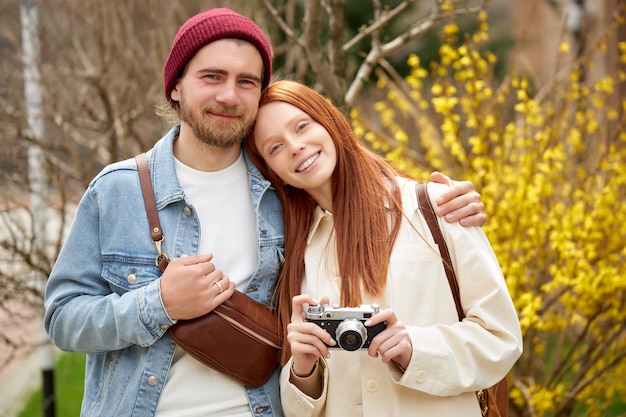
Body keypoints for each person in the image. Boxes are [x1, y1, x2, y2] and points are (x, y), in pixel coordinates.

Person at [43, 8, 488, 417]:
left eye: (247, 82)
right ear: (176, 86)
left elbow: (357, 189)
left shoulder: (286, 188)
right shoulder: (117, 191)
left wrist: (435, 201)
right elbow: (63, 319)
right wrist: (158, 303)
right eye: (212, 77)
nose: (229, 95)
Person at [245, 80, 523, 417]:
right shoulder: (296, 253)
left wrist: (415, 350)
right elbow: (299, 409)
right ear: (277, 175)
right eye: (275, 148)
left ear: (330, 122)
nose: (295, 146)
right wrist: (303, 370)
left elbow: (501, 338)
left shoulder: (436, 208)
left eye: (302, 126)